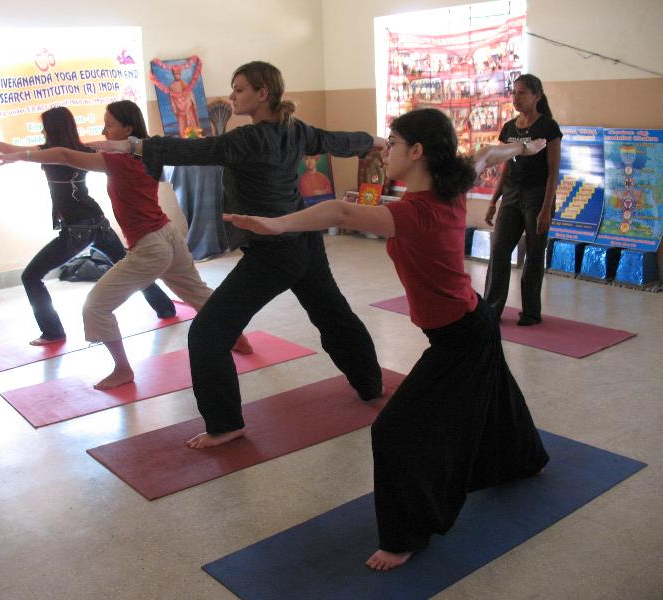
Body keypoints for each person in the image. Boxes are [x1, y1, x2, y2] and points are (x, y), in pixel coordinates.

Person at [226, 108, 550, 571]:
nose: (384, 150)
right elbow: (485, 153)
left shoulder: (413, 213)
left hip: (461, 337)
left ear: (416, 151)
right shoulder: (452, 184)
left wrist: (277, 224)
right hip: (471, 321)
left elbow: (340, 210)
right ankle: (525, 460)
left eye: (393, 143)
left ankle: (406, 535)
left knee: (395, 431)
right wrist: (523, 147)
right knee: (496, 397)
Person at [109, 61, 384, 448]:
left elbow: (200, 149)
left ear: (263, 93)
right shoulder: (294, 129)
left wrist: (136, 145)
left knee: (208, 333)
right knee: (333, 314)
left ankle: (225, 424)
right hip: (304, 242)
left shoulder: (250, 138)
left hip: (274, 251)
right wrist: (372, 141)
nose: (232, 96)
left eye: (239, 89)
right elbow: (332, 140)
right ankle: (370, 385)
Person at [0, 101, 251, 389]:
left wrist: (21, 156)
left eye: (109, 124)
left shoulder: (116, 162)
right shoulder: (150, 153)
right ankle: (238, 337)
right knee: (196, 292)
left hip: (151, 246)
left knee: (95, 307)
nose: (104, 130)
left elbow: (63, 154)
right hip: (169, 234)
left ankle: (122, 370)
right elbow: (66, 152)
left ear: (127, 128)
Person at [0, 107, 175, 345]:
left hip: (77, 230)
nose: (42, 132)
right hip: (98, 223)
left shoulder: (52, 153)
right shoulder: (82, 150)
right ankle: (165, 308)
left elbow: (7, 148)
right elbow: (7, 149)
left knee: (31, 276)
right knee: (131, 269)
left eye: (44, 127)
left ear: (52, 129)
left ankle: (52, 332)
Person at [483, 74, 562, 326]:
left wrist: (546, 208)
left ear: (536, 96)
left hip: (537, 196)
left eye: (522, 93)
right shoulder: (509, 128)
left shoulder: (548, 127)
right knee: (499, 250)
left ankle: (531, 312)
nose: (516, 98)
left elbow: (553, 172)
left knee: (534, 253)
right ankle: (491, 309)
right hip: (511, 195)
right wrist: (494, 200)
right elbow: (505, 167)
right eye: (514, 92)